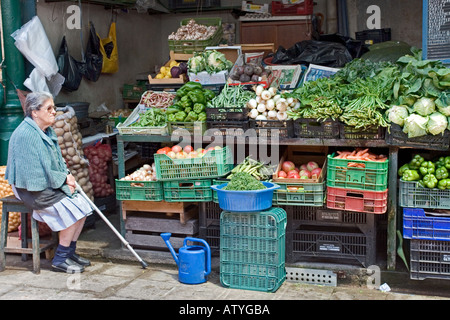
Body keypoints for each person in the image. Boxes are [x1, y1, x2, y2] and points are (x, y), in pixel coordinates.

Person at [5, 91, 93, 274]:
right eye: (49, 108)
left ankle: (69, 252)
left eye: (53, 107)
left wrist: (66, 177)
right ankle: (60, 259)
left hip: (46, 183)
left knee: (83, 207)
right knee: (73, 211)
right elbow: (34, 176)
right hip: (30, 188)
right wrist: (63, 181)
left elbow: (56, 162)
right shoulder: (26, 136)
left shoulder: (46, 131)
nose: (54, 112)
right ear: (34, 112)